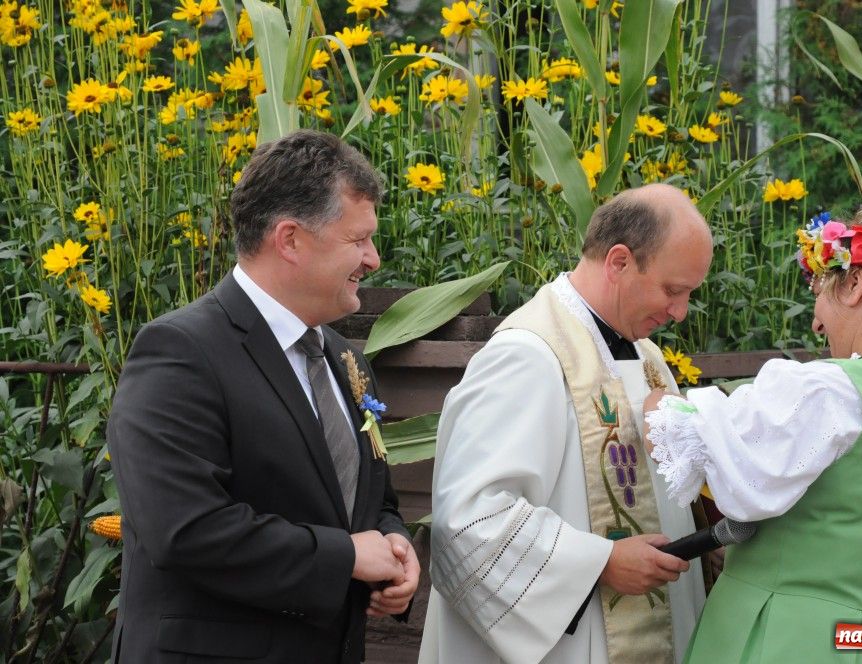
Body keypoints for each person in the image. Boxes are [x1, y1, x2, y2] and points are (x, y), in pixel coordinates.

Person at [106, 129, 419, 663]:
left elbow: (370, 500)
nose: (373, 258)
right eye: (358, 240)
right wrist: (345, 556)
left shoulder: (344, 359)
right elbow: (185, 529)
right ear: (290, 239)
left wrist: (393, 546)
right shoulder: (180, 352)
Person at [645, 191, 862, 663]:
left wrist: (657, 401)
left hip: (802, 643)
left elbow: (715, 461)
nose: (816, 322)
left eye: (820, 293)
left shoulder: (833, 391)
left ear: (854, 284)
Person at [418, 183, 713, 664]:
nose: (679, 312)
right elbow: (469, 521)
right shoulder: (526, 355)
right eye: (673, 290)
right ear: (619, 262)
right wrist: (600, 563)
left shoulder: (647, 357)